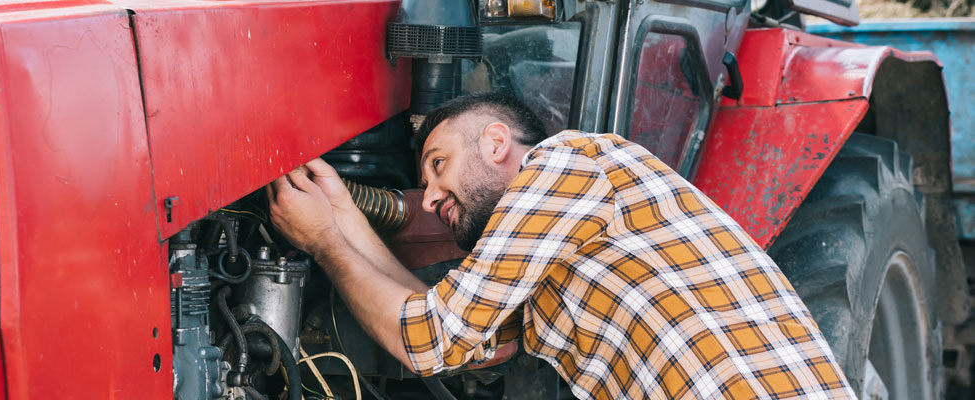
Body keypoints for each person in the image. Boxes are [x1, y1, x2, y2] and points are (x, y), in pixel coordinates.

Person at [266, 92, 855, 399]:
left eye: (439, 165)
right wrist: (343, 216)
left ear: (497, 143)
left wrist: (326, 242)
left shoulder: (569, 163)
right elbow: (443, 328)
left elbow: (431, 338)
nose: (430, 198)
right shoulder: (554, 261)